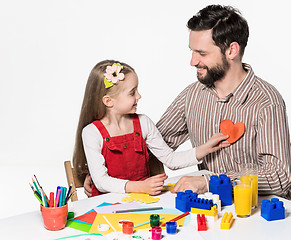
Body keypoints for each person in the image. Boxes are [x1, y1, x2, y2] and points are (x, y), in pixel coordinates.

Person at [84, 5, 291, 204]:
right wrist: (101, 173)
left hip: (272, 208)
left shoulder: (266, 101)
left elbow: (278, 178)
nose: (192, 61)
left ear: (231, 51)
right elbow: (146, 146)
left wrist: (211, 182)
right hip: (217, 208)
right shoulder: (192, 96)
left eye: (202, 53)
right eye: (192, 51)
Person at [73, 60, 230, 196]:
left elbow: (171, 160)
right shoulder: (91, 133)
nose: (139, 96)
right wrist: (140, 187)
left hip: (144, 202)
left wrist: (206, 149)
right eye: (132, 93)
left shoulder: (143, 123)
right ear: (108, 101)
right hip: (107, 206)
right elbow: (101, 182)